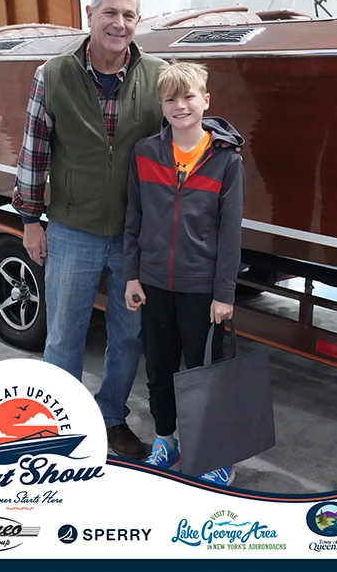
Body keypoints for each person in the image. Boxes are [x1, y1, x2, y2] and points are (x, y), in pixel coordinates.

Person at [12, 0, 167, 459]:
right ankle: (59, 425)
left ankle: (111, 418)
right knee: (63, 335)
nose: (119, 24)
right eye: (110, 13)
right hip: (72, 229)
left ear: (138, 21)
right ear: (90, 14)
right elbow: (34, 150)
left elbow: (185, 135)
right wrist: (30, 220)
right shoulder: (53, 74)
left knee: (128, 335)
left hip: (133, 236)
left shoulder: (159, 75)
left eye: (129, 15)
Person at [123, 61, 245, 485]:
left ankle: (216, 452)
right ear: (161, 106)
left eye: (188, 96)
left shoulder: (226, 161)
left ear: (205, 101)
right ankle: (166, 441)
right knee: (159, 368)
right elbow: (134, 218)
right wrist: (132, 275)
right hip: (154, 282)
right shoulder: (145, 153)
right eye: (171, 98)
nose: (180, 105)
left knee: (204, 372)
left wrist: (224, 293)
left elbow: (230, 232)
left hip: (201, 289)